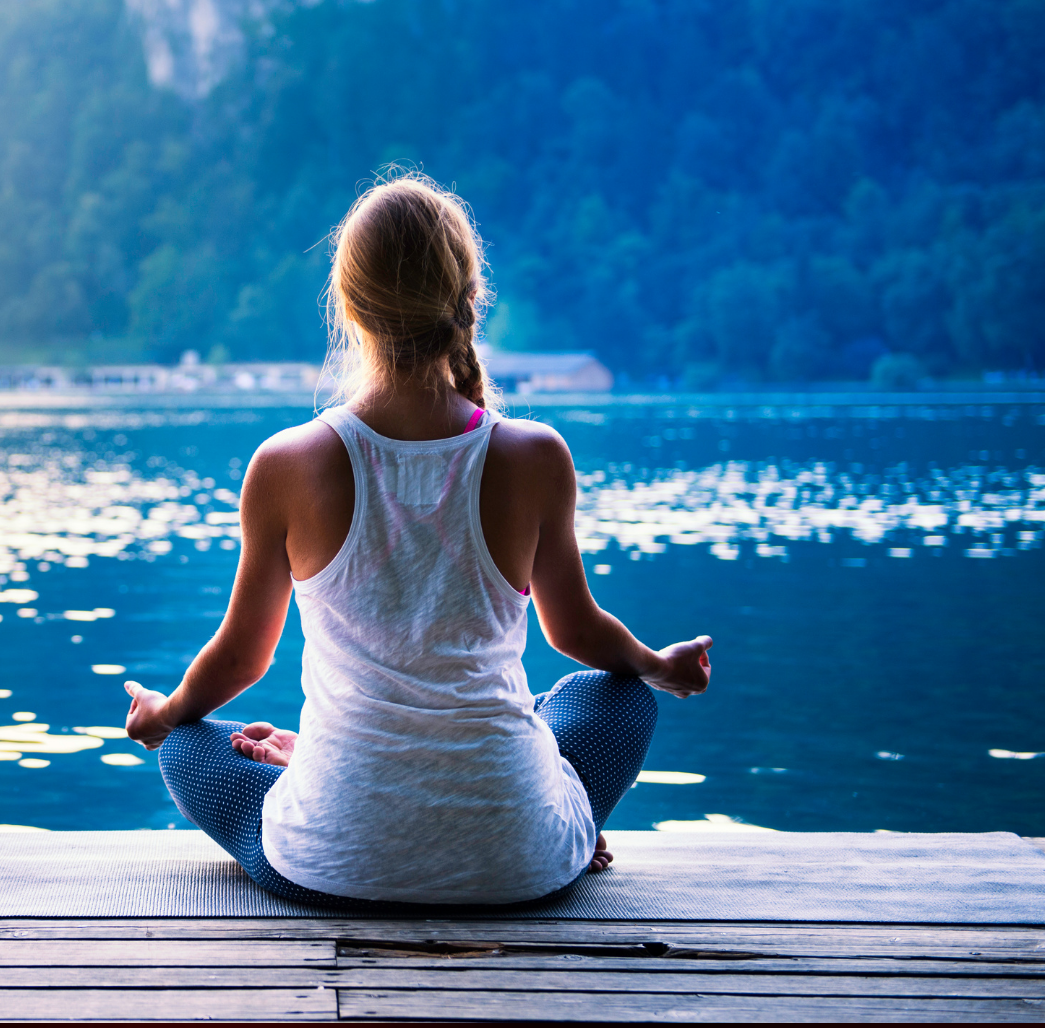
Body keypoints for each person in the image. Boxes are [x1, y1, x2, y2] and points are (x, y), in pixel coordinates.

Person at [124, 173, 712, 907]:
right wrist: (657, 664)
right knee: (616, 695)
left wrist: (164, 712)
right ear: (469, 300)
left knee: (189, 738)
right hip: (518, 866)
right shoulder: (535, 456)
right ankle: (553, 826)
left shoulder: (285, 464)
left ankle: (326, 773)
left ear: (348, 308)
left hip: (333, 862)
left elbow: (243, 658)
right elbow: (577, 633)